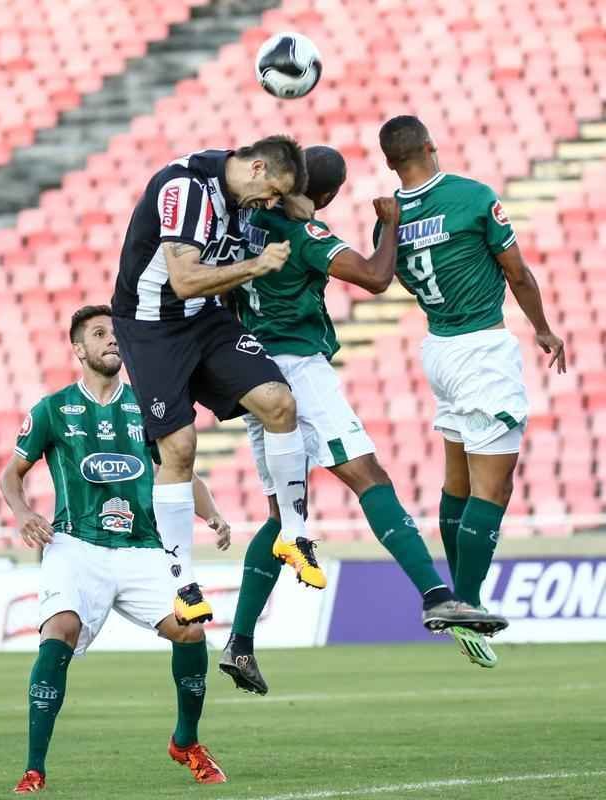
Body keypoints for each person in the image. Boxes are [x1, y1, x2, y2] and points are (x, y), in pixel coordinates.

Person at [218, 146, 507, 695]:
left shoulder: (245, 219)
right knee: (368, 476)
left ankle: (240, 642)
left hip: (253, 371)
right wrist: (389, 226)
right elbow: (376, 278)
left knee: (283, 516)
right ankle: (434, 595)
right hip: (298, 368)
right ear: (323, 196)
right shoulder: (306, 235)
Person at [1, 306, 230, 793]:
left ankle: (185, 741)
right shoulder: (53, 409)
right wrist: (23, 514)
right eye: (99, 334)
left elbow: (180, 469)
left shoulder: (150, 406)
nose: (112, 340)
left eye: (116, 333)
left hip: (143, 548)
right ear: (79, 349)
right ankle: (34, 768)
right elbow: (11, 475)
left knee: (190, 632)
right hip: (76, 545)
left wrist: (209, 512)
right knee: (58, 630)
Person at [111, 136, 328, 626]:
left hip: (205, 318)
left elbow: (300, 202)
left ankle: (293, 534)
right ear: (254, 168)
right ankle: (180, 580)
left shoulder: (237, 179)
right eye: (268, 191)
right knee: (180, 447)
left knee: (279, 403)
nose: (268, 205)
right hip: (151, 325)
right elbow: (185, 280)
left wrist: (287, 193)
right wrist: (257, 264)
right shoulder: (186, 190)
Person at [376, 115, 566, 667]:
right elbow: (518, 273)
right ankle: (469, 602)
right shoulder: (472, 197)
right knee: (494, 489)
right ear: (432, 147)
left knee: (456, 481)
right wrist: (543, 329)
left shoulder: (388, 218)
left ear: (391, 163)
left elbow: (396, 276)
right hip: (481, 347)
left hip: (438, 348)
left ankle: (460, 599)